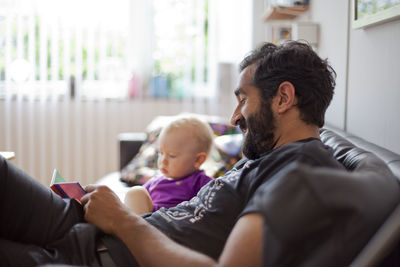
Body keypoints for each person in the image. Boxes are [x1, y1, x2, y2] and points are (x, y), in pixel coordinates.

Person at [0, 41, 397, 267]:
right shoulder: (266, 158)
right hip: (86, 230)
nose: (234, 116)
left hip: (100, 257)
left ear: (283, 98)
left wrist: (122, 220)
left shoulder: (301, 172)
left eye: (244, 100)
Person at [124, 116, 213, 214]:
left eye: (172, 155)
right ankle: (136, 226)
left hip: (176, 222)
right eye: (160, 153)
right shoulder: (155, 181)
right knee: (135, 193)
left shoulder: (202, 182)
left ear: (198, 160)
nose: (163, 161)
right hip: (150, 221)